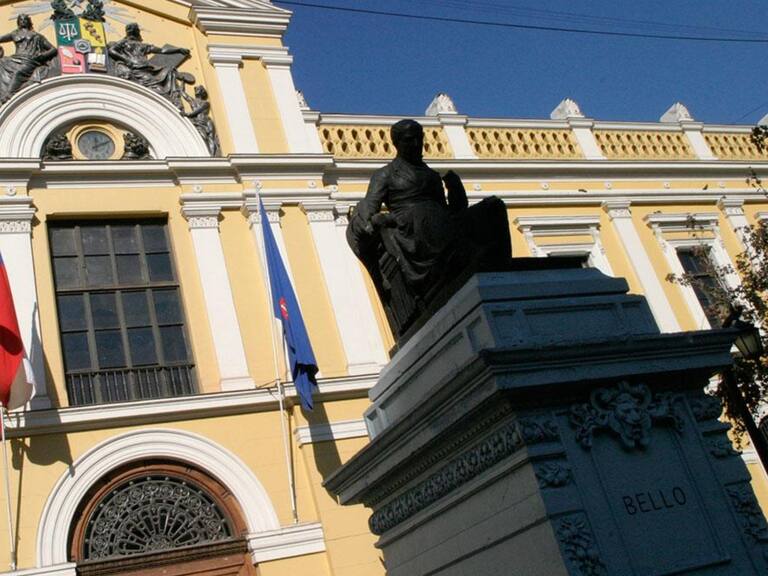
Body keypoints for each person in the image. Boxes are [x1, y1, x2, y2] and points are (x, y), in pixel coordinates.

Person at [347, 119, 511, 336]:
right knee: (426, 215)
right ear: (396, 143)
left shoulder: (431, 175)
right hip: (410, 227)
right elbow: (369, 207)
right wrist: (371, 222)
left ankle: (499, 265)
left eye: (419, 138)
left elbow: (454, 211)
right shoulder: (385, 174)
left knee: (493, 207)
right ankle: (464, 253)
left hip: (440, 222)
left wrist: (455, 189)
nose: (416, 144)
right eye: (409, 140)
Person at [108, 23, 189, 104]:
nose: (134, 32)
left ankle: (175, 97)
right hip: (137, 69)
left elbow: (162, 50)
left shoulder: (143, 45)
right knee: (156, 88)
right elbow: (111, 50)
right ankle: (165, 99)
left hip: (147, 68)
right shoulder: (123, 42)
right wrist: (126, 60)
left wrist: (178, 50)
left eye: (135, 30)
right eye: (133, 30)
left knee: (169, 71)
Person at [0, 14, 57, 103]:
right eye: (21, 20)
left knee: (19, 72)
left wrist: (42, 56)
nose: (23, 21)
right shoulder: (14, 34)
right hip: (16, 58)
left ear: (29, 22)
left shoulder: (37, 36)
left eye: (25, 20)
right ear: (18, 22)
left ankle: (9, 95)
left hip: (30, 60)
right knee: (2, 62)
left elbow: (53, 49)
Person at [183, 86, 221, 156]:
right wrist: (182, 82)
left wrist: (187, 114)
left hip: (206, 122)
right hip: (198, 122)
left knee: (210, 138)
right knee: (202, 137)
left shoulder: (206, 103)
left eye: (198, 89)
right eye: (196, 89)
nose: (196, 90)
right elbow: (184, 95)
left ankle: (212, 156)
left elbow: (198, 110)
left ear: (202, 92)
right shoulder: (193, 101)